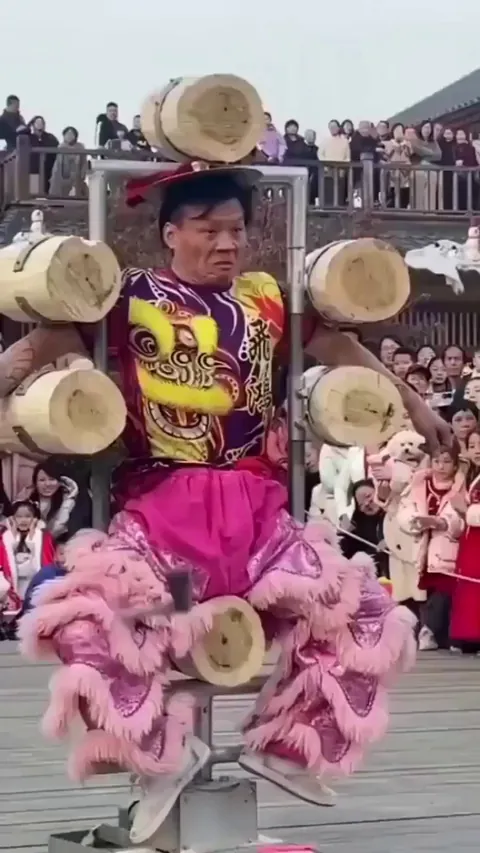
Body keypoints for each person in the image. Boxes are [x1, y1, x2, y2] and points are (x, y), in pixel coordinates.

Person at [21, 159, 449, 847]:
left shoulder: (265, 300)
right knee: (93, 620)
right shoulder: (129, 296)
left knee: (361, 614)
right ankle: (163, 760)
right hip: (164, 514)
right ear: (171, 233)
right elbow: (44, 343)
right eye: (208, 228)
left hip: (255, 516)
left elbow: (339, 345)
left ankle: (285, 747)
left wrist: (417, 405)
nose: (226, 243)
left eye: (237, 230)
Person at [396, 444, 465, 651]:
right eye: (437, 461)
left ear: (455, 465)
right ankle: (430, 631)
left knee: (444, 588)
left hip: (448, 546)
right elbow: (404, 510)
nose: (441, 466)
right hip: (421, 545)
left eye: (447, 462)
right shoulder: (418, 484)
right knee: (425, 591)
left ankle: (431, 630)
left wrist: (443, 522)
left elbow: (460, 517)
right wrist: (416, 520)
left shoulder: (459, 487)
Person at [449, 428, 480, 651]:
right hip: (472, 538)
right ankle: (469, 635)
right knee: (470, 584)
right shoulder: (472, 476)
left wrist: (465, 509)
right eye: (472, 446)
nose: (477, 451)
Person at [0, 500, 55, 614]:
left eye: (27, 516)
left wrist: (32, 539)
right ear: (12, 518)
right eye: (19, 516)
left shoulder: (44, 538)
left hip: (34, 587)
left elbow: (45, 565)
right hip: (13, 591)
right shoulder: (4, 539)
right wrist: (12, 538)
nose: (23, 520)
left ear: (34, 518)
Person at [20, 460, 91, 540]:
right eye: (42, 480)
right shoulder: (27, 502)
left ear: (60, 482)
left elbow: (57, 530)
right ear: (35, 483)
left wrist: (68, 502)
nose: (47, 484)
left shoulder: (69, 503)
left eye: (52, 479)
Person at [339, 479, 387, 578]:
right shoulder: (360, 521)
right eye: (360, 504)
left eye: (368, 496)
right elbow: (349, 551)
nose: (366, 503)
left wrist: (390, 542)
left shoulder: (393, 514)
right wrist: (342, 535)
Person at [21, 532, 69, 613]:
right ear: (55, 555)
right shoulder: (45, 575)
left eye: (69, 553)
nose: (65, 558)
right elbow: (29, 605)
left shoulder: (80, 574)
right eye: (61, 553)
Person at [49, 126, 87, 198]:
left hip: (76, 176)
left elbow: (84, 163)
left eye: (71, 134)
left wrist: (83, 174)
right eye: (67, 134)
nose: (69, 136)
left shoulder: (80, 147)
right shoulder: (61, 147)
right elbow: (58, 164)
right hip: (62, 176)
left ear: (75, 136)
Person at [26, 116, 59, 195]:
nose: (39, 124)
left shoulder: (50, 137)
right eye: (37, 122)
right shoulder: (28, 137)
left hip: (48, 168)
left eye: (41, 123)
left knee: (48, 191)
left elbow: (56, 150)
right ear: (33, 124)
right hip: (33, 168)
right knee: (34, 191)